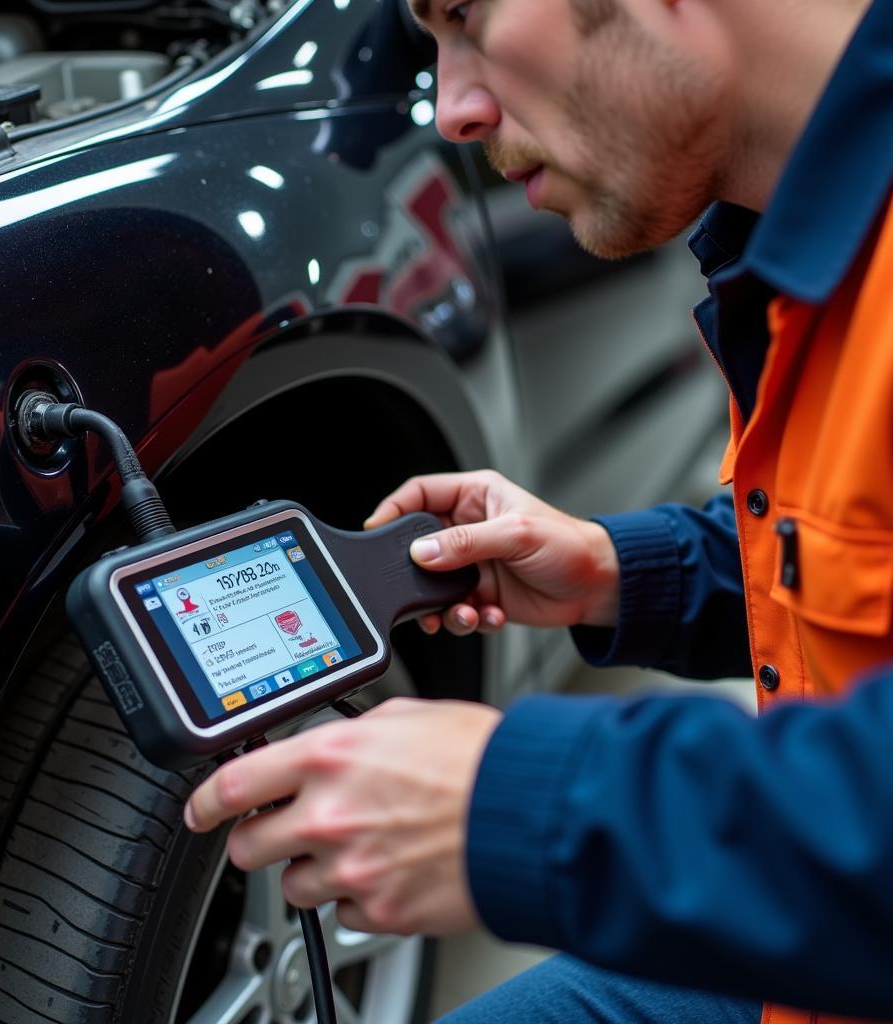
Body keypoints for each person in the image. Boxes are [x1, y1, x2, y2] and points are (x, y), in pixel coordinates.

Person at [184, 0, 893, 1020]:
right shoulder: (787, 247)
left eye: (466, 15)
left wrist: (512, 805)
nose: (450, 110)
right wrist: (618, 571)